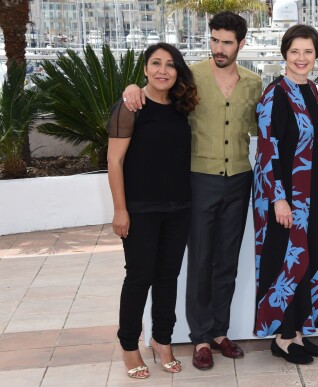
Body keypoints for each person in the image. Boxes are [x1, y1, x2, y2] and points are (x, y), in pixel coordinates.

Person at [122, 12, 262, 371]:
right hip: (198, 179)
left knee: (227, 260)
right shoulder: (191, 76)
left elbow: (259, 129)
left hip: (240, 177)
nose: (218, 48)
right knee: (200, 259)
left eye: (226, 42)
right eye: (214, 40)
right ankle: (200, 336)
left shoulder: (254, 82)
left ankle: (219, 332)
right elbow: (156, 91)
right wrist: (132, 89)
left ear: (241, 45)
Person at [253, 24, 318, 365]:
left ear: (316, 55)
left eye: (308, 52)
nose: (302, 58)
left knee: (310, 262)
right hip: (287, 198)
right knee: (286, 265)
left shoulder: (315, 93)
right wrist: (278, 197)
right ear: (284, 54)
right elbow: (267, 150)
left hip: (314, 194)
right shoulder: (274, 94)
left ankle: (299, 333)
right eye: (295, 52)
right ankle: (282, 337)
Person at [107, 42, 198, 379]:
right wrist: (120, 210)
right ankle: (129, 345)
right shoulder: (131, 106)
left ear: (178, 72)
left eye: (170, 65)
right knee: (139, 277)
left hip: (179, 208)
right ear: (145, 69)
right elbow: (114, 161)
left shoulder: (180, 107)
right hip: (141, 209)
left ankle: (162, 340)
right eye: (156, 63)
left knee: (167, 278)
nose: (163, 70)